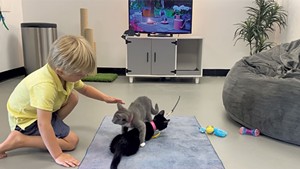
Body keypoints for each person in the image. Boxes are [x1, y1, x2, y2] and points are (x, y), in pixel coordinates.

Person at [0, 35, 124, 167]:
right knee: (71, 142)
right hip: (27, 121)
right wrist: (58, 155)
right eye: (80, 74)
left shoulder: (62, 73)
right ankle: (20, 140)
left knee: (73, 97)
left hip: (35, 113)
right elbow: (43, 124)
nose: (84, 76)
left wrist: (105, 98)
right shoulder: (45, 86)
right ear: (60, 71)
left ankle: (49, 130)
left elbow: (85, 89)